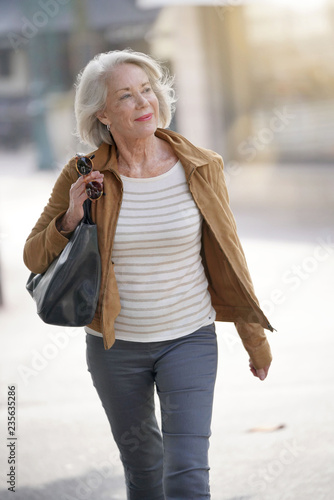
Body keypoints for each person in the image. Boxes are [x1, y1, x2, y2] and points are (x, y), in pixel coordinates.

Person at [24, 49, 274, 500]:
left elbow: (231, 259)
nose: (144, 103)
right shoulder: (84, 174)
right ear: (103, 113)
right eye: (126, 96)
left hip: (189, 339)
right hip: (115, 348)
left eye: (147, 91)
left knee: (187, 474)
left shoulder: (201, 166)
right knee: (144, 471)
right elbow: (32, 256)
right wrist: (71, 218)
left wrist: (254, 340)